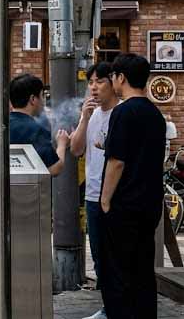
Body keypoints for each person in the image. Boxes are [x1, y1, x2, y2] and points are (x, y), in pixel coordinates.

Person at [99, 53, 165, 317]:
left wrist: (105, 200)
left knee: (118, 272)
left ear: (121, 78)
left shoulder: (123, 111)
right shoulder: (155, 113)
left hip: (124, 204)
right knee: (143, 270)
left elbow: (117, 162)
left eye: (113, 76)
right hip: (149, 203)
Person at [68, 62, 117, 319]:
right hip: (93, 195)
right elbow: (76, 150)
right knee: (99, 258)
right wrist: (84, 118)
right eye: (91, 82)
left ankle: (118, 308)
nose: (94, 88)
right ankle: (109, 308)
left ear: (115, 82)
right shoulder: (93, 114)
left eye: (100, 81)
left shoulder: (120, 113)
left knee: (115, 257)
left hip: (114, 197)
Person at [8, 74, 69, 176]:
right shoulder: (36, 130)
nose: (43, 101)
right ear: (32, 99)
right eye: (41, 96)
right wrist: (62, 143)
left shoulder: (1, 126)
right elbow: (54, 169)